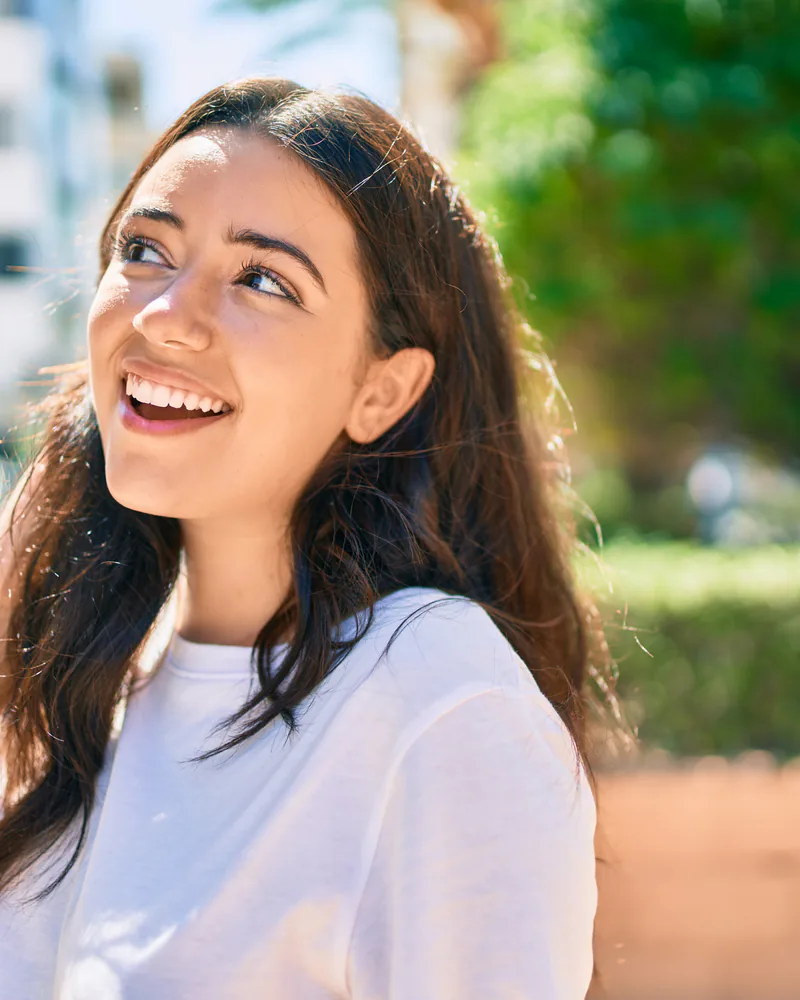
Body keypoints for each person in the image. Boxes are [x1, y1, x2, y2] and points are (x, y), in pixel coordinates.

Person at [0, 77, 604, 998]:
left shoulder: (433, 700)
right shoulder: (88, 672)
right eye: (146, 250)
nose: (164, 316)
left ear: (383, 390)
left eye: (264, 280)